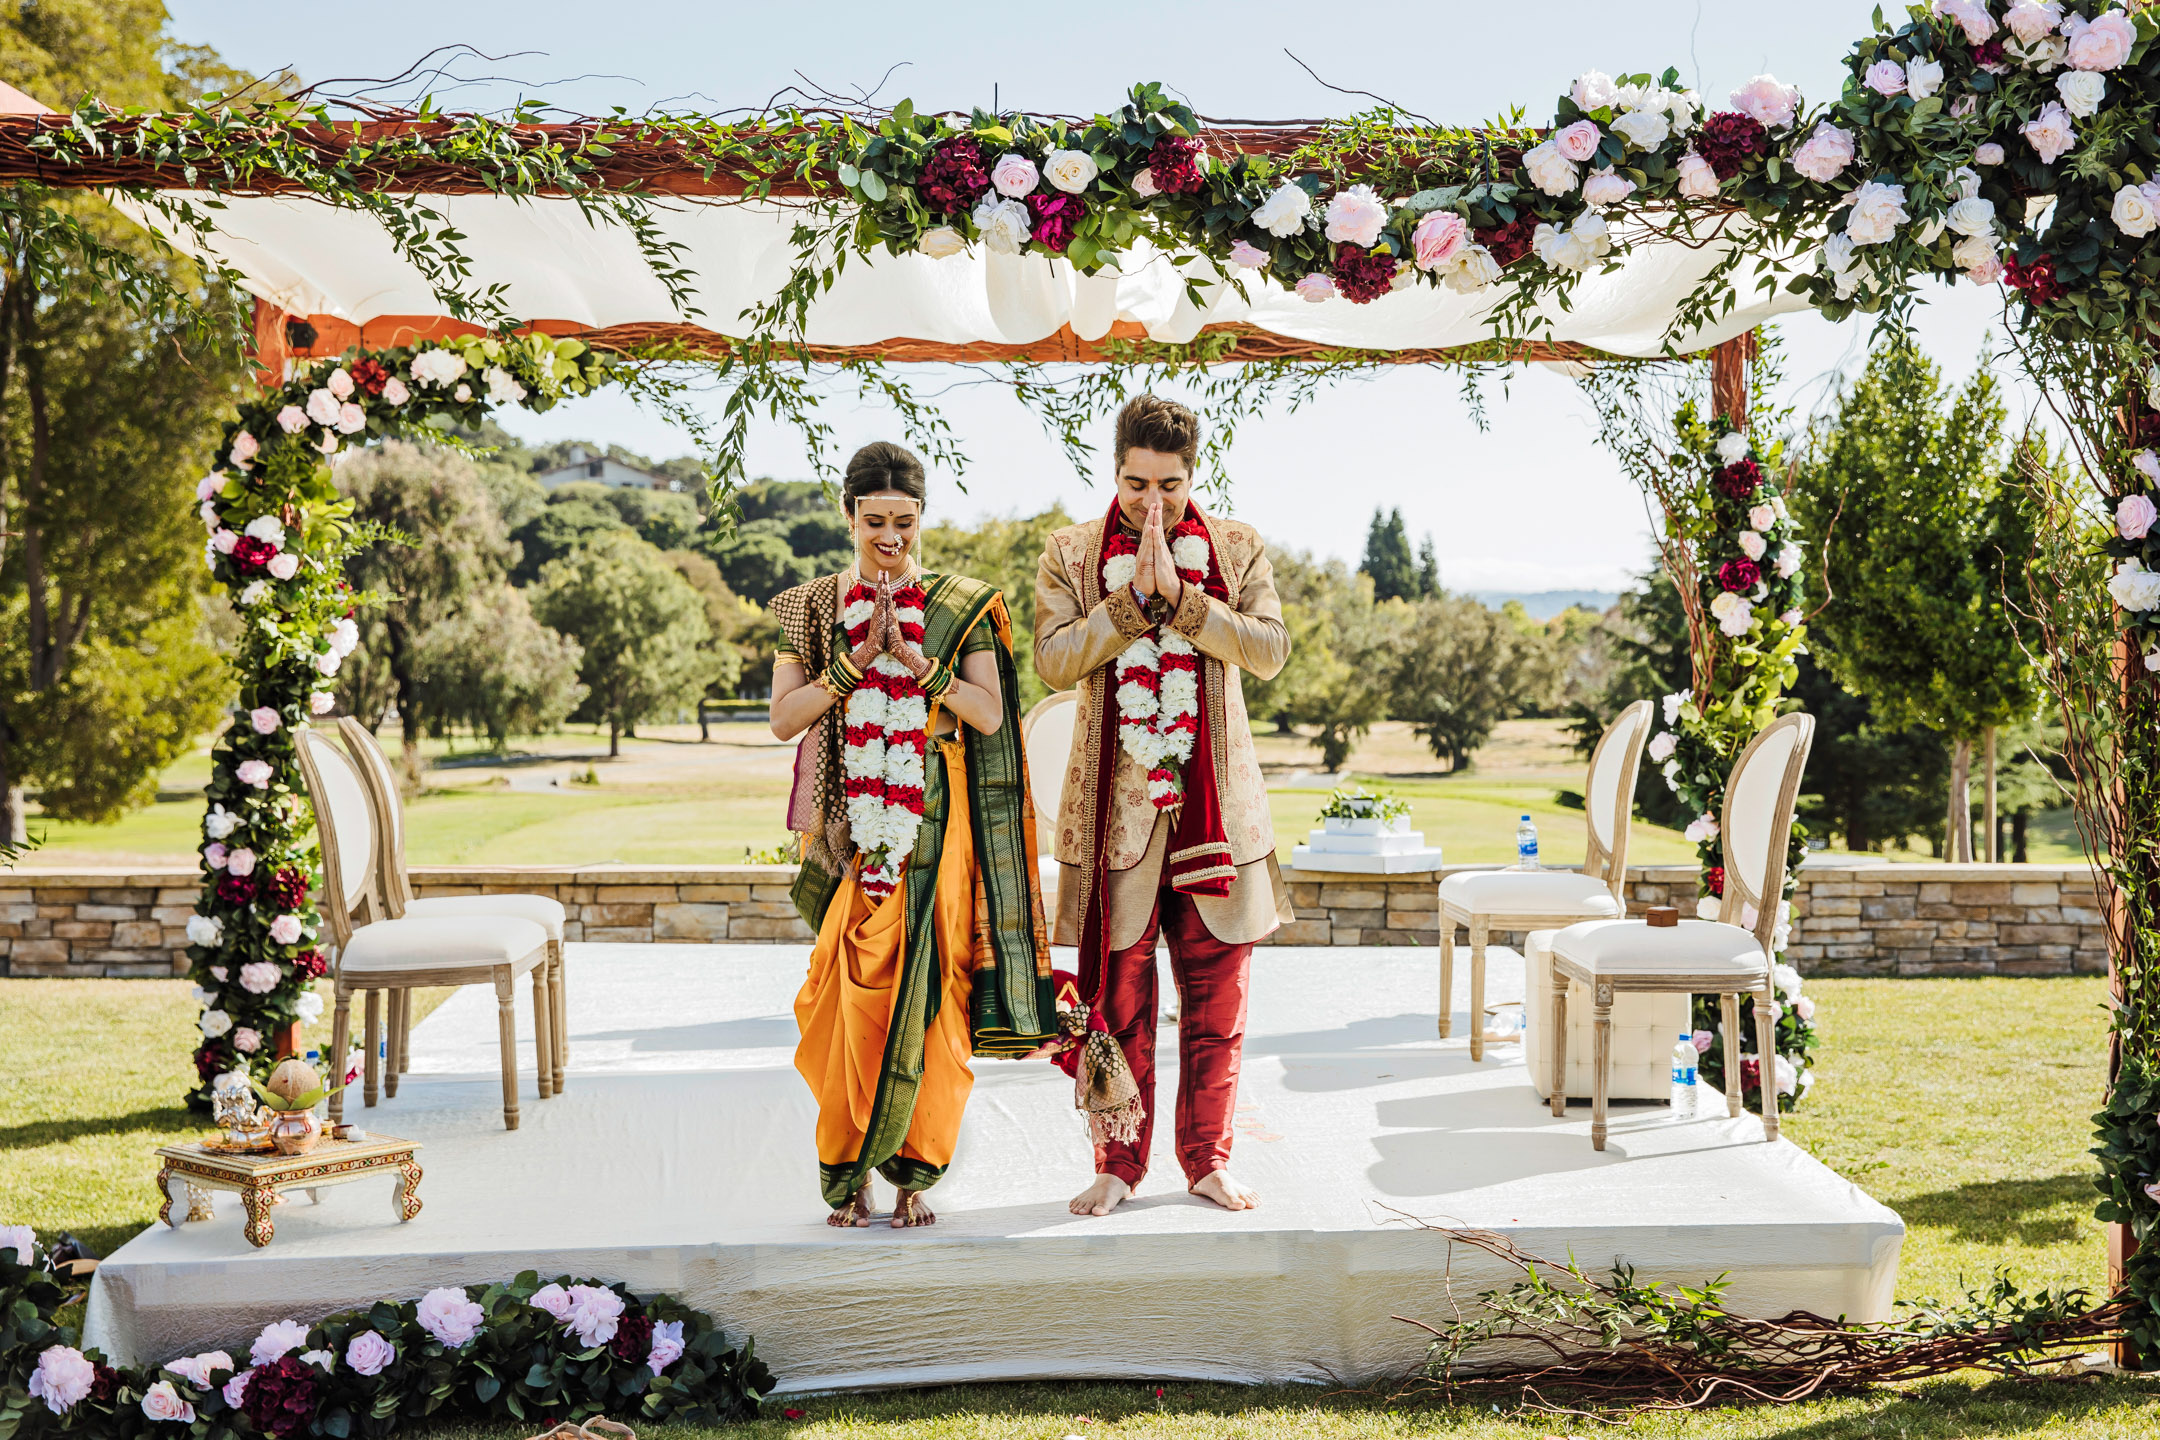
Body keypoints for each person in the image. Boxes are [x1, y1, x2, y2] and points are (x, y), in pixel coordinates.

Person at [771, 441, 1057, 1229]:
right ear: (849, 515)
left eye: (903, 520)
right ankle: (848, 1175)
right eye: (874, 521)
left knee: (935, 998)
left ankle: (913, 1179)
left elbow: (991, 713)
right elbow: (783, 720)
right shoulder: (810, 608)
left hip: (940, 819)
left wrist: (923, 669)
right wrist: (854, 667)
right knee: (845, 996)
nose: (889, 536)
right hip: (850, 827)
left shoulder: (960, 603)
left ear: (922, 518)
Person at [1035, 395, 1292, 1217]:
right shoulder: (1071, 554)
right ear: (1113, 470)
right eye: (1137, 483)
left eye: (1171, 486)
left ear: (1194, 475)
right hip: (1116, 822)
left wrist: (1184, 601)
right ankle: (1117, 1162)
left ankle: (1209, 1160)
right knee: (1120, 1004)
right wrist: (1127, 609)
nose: (1153, 503)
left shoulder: (1239, 547)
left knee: (1219, 1004)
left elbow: (1270, 651)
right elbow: (1050, 660)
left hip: (1220, 818)